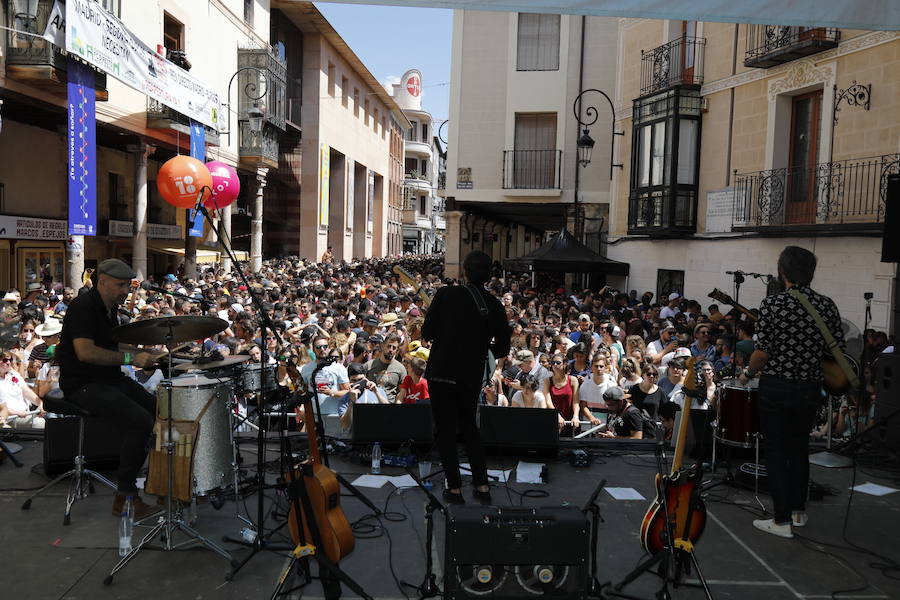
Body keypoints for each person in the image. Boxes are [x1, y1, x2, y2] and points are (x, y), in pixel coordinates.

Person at [739, 246, 844, 539]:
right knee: (799, 450)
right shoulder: (827, 305)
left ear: (782, 271)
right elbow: (834, 350)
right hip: (810, 388)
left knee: (775, 451)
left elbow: (762, 353)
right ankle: (798, 512)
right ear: (811, 273)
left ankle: (781, 520)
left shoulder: (773, 304)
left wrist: (747, 375)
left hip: (777, 386)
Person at [55, 259, 163, 519]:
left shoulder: (109, 307)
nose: (125, 290)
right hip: (82, 384)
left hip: (108, 379)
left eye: (128, 285)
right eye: (120, 285)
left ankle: (161, 482)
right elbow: (86, 352)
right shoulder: (83, 307)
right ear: (102, 281)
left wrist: (144, 353)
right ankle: (125, 497)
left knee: (160, 409)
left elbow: (112, 345)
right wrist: (131, 359)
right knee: (140, 422)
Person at [422, 250, 511, 506]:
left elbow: (427, 332)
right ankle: (482, 485)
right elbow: (502, 349)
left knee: (445, 430)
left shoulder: (445, 294)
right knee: (470, 427)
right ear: (490, 276)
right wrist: (479, 347)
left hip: (441, 373)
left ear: (465, 271)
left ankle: (454, 488)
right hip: (470, 376)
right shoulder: (494, 305)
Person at [544, 351, 580, 433]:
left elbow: (576, 402)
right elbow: (548, 402)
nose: (555, 365)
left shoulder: (573, 380)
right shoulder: (547, 381)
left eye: (558, 363)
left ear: (564, 364)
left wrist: (575, 416)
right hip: (553, 420)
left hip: (570, 421)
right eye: (553, 363)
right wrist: (557, 416)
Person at [364, 334, 406, 403]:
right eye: (389, 346)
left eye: (394, 348)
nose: (391, 350)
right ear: (383, 346)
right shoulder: (369, 365)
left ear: (397, 351)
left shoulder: (401, 369)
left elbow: (401, 392)